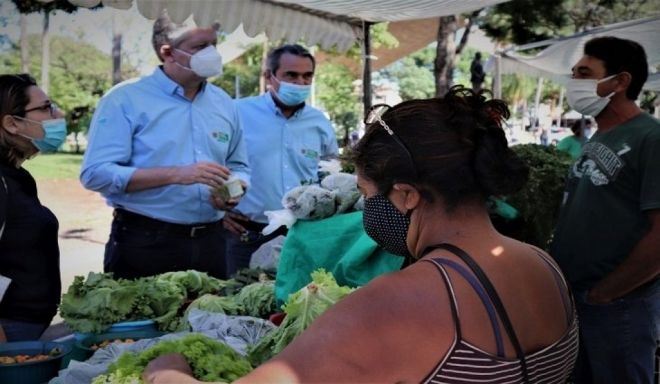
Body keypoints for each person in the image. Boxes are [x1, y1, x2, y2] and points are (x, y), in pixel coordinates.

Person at [144, 86, 578, 383]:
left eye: (368, 195)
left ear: (406, 195)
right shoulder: (545, 266)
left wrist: (167, 368)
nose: (368, 210)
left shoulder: (395, 303)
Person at [80, 11, 250, 280]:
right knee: (144, 320)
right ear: (168, 52)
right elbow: (95, 174)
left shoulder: (224, 102)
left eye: (214, 45)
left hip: (213, 241)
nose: (213, 54)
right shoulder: (125, 99)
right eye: (200, 47)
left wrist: (233, 190)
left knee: (207, 321)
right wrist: (177, 175)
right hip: (146, 241)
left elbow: (239, 166)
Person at [550, 36, 660, 383]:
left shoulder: (650, 139)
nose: (574, 82)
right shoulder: (597, 137)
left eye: (585, 73)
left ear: (621, 81)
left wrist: (606, 294)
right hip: (579, 301)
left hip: (618, 307)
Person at [222, 44, 338, 276]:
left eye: (307, 76)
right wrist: (218, 213)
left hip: (300, 235)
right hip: (246, 235)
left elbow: (330, 175)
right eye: (291, 75)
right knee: (240, 301)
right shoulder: (237, 113)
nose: (300, 82)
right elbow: (217, 165)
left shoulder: (320, 123)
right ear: (268, 76)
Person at [0, 74, 65, 341]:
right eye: (46, 107)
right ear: (12, 123)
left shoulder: (16, 176)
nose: (58, 114)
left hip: (26, 329)